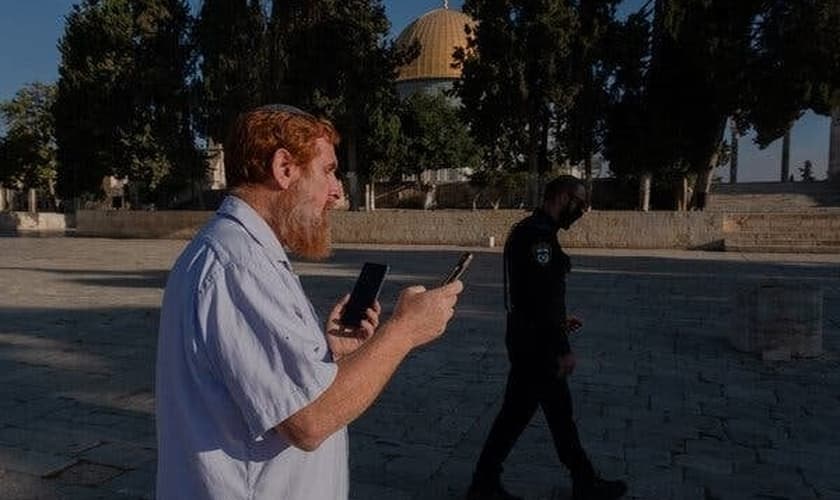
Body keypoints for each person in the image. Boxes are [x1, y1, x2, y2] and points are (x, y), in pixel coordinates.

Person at [155, 104, 463, 500]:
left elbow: (264, 384)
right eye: (328, 171)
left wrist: (328, 355)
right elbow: (309, 421)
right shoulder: (240, 265)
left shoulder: (242, 253)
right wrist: (404, 332)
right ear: (285, 168)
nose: (336, 192)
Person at [466, 176, 627, 500]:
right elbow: (545, 302)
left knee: (536, 414)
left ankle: (578, 480)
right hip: (537, 344)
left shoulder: (528, 230)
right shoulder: (539, 238)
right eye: (578, 202)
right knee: (542, 414)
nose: (581, 209)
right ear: (561, 197)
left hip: (526, 338)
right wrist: (563, 347)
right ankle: (582, 483)